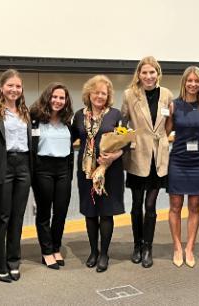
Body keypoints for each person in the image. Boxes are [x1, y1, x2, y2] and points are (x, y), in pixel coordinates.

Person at [121, 56, 173, 268]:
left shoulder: (167, 94)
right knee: (136, 204)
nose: (149, 76)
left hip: (158, 156)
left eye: (152, 72)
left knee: (150, 204)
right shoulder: (129, 94)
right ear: (139, 74)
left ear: (157, 73)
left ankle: (148, 247)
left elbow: (169, 122)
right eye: (145, 73)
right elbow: (123, 122)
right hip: (138, 155)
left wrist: (162, 139)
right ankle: (136, 246)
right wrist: (127, 139)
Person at [72, 75, 125, 273]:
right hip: (86, 172)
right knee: (90, 212)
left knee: (106, 212)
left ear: (108, 96)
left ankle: (104, 254)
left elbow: (126, 141)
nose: (99, 96)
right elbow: (70, 137)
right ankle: (93, 251)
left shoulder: (116, 115)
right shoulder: (79, 115)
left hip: (109, 171)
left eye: (104, 93)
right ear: (89, 94)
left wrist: (113, 156)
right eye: (96, 92)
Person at [0, 69, 32, 282]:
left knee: (18, 216)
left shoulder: (25, 112)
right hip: (3, 166)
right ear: (1, 87)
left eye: (18, 86)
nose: (14, 90)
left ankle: (13, 260)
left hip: (23, 166)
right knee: (2, 216)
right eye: (10, 86)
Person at [165, 66, 199, 268]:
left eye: (197, 81)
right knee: (175, 206)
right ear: (184, 82)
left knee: (195, 207)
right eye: (189, 81)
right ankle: (177, 246)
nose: (193, 84)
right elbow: (166, 132)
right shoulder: (174, 105)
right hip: (177, 160)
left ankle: (189, 247)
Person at [30, 82, 74, 270]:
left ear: (66, 101)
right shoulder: (34, 119)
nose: (57, 101)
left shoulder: (68, 121)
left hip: (63, 169)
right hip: (43, 169)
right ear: (47, 97)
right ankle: (47, 251)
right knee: (44, 213)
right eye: (54, 97)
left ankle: (56, 247)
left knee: (61, 212)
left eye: (61, 98)